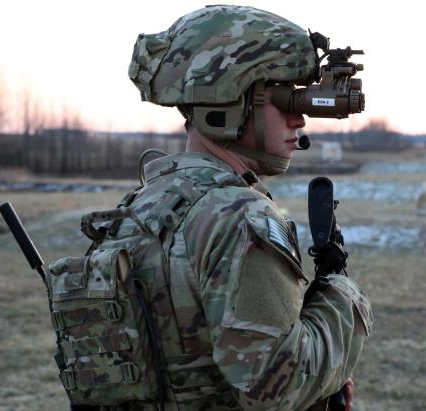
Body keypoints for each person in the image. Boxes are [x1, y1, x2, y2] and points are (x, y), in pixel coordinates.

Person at [106, 5, 373, 410]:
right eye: (286, 99)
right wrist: (341, 292)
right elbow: (277, 386)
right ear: (229, 101)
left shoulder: (146, 204)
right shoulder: (240, 219)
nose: (300, 119)